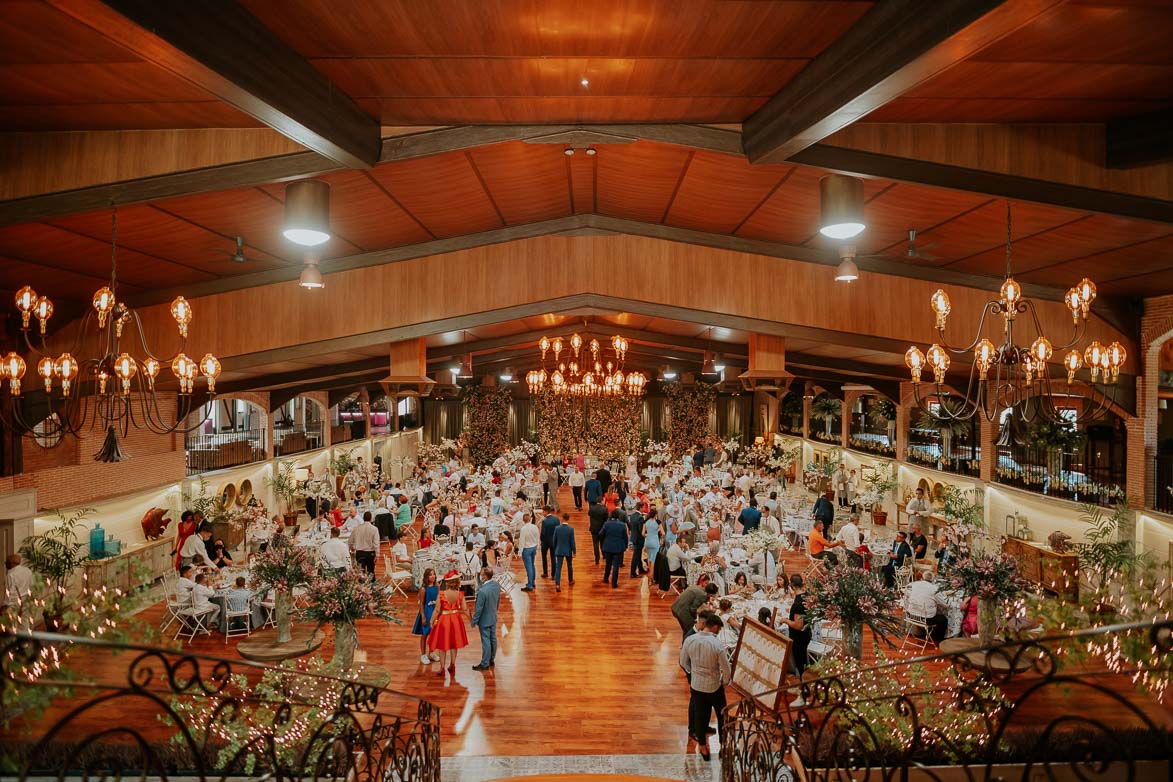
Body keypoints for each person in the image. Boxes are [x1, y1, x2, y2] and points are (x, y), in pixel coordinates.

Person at [679, 613, 730, 761]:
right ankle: (723, 745)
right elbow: (726, 668)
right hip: (714, 685)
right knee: (722, 716)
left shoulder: (690, 640)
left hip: (697, 685)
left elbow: (683, 662)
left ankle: (702, 746)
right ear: (714, 627)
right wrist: (724, 681)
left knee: (700, 716)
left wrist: (692, 672)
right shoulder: (717, 645)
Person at [427, 571, 469, 676]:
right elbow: (465, 609)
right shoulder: (460, 594)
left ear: (448, 583)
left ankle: (442, 668)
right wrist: (471, 619)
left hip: (444, 620)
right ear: (458, 582)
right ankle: (452, 665)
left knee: (442, 644)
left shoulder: (441, 594)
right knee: (454, 644)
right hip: (456, 619)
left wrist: (431, 621)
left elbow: (436, 610)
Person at [777, 574, 810, 708]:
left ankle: (802, 695)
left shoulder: (798, 604)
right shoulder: (806, 595)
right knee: (802, 664)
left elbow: (798, 625)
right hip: (806, 634)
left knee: (800, 665)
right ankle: (804, 690)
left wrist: (785, 620)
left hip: (799, 638)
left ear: (791, 585)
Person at [470, 567, 502, 671]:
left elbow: (478, 609)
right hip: (493, 616)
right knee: (493, 638)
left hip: (484, 619)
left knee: (486, 641)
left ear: (484, 577)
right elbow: (498, 600)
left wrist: (474, 621)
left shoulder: (482, 591)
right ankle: (491, 659)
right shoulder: (497, 585)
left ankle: (485, 663)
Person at [905, 569, 949, 644]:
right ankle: (938, 640)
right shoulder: (934, 588)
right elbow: (945, 605)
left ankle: (922, 633)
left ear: (922, 577)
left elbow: (907, 596)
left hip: (910, 615)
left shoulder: (914, 584)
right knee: (943, 619)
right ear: (933, 580)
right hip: (925, 619)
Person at [412, 568, 440, 664]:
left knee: (433, 634)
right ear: (426, 577)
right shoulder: (424, 589)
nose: (433, 576)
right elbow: (421, 604)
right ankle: (423, 654)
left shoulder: (437, 586)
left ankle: (431, 652)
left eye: (434, 574)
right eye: (431, 575)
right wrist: (423, 616)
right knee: (425, 634)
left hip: (434, 611)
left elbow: (439, 599)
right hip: (427, 612)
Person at [599, 509, 630, 589]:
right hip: (618, 547)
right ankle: (614, 583)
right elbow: (625, 537)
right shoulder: (622, 525)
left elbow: (600, 534)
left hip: (608, 547)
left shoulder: (606, 524)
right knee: (616, 566)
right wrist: (625, 546)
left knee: (608, 564)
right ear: (618, 516)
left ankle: (606, 579)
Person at [5, 553, 34, 632]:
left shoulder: (11, 574)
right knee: (25, 622)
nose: (5, 564)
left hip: (14, 602)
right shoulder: (27, 571)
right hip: (27, 600)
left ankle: (15, 642)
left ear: (11, 563)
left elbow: (9, 592)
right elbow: (32, 586)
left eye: (6, 562)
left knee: (13, 624)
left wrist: (6, 604)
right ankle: (25, 642)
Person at [349, 511, 379, 577]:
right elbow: (376, 543)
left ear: (363, 518)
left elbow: (350, 541)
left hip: (360, 553)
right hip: (370, 553)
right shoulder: (374, 529)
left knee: (360, 573)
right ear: (371, 519)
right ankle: (372, 586)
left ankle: (362, 586)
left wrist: (351, 548)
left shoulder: (357, 528)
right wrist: (377, 554)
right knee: (371, 571)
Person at [552, 512, 576, 592]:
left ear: (562, 519)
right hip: (568, 550)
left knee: (558, 567)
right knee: (569, 565)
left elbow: (554, 540)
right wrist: (574, 551)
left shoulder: (557, 528)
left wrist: (555, 549)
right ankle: (570, 580)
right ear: (568, 519)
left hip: (559, 550)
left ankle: (558, 584)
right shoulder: (571, 529)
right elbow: (572, 542)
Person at [518, 513, 539, 592]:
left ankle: (530, 585)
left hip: (526, 549)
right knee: (532, 565)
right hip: (533, 547)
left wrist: (520, 553)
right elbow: (537, 537)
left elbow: (521, 541)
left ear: (523, 520)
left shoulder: (523, 529)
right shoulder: (535, 527)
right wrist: (537, 546)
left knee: (528, 567)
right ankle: (532, 582)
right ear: (530, 519)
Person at [539, 506, 559, 579]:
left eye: (543, 511)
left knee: (544, 557)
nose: (542, 513)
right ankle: (553, 575)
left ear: (546, 512)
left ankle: (545, 573)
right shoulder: (556, 519)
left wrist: (541, 539)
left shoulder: (545, 521)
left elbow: (543, 533)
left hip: (545, 542)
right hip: (554, 541)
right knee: (553, 558)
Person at [627, 502, 646, 578]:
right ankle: (632, 572)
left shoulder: (632, 516)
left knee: (638, 555)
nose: (644, 509)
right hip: (639, 539)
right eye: (643, 507)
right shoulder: (640, 518)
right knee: (636, 555)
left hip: (634, 537)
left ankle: (640, 568)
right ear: (640, 508)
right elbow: (641, 530)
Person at [642, 508, 662, 579]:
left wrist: (647, 535)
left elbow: (643, 533)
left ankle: (649, 576)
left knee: (649, 558)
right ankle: (652, 577)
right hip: (655, 541)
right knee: (653, 560)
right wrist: (661, 538)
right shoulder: (658, 522)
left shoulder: (646, 521)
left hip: (647, 541)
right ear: (656, 515)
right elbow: (663, 533)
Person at [587, 500, 608, 564]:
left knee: (595, 544)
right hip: (601, 528)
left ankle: (597, 559)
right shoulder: (604, 509)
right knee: (602, 543)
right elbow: (606, 519)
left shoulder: (592, 508)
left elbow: (589, 514)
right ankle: (604, 555)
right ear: (601, 501)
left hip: (594, 528)